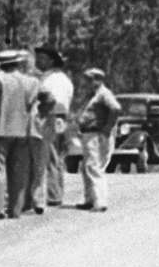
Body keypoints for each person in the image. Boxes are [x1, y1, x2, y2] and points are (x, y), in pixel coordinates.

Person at [0, 50, 53, 219]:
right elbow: (49, 98)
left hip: (0, 129)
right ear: (18, 63)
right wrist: (42, 113)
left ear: (1, 64)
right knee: (19, 171)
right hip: (24, 130)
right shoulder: (32, 81)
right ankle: (15, 209)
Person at [33, 46, 73, 207]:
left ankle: (54, 194)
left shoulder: (55, 79)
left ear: (51, 61)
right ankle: (53, 192)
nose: (37, 61)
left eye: (41, 58)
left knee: (51, 156)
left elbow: (54, 102)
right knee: (52, 156)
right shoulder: (53, 78)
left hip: (53, 117)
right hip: (55, 118)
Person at [76, 68, 120, 213]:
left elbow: (115, 108)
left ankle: (100, 201)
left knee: (94, 167)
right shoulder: (92, 95)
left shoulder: (103, 94)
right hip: (89, 134)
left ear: (98, 80)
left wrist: (107, 128)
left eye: (89, 79)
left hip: (96, 134)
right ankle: (90, 199)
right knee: (86, 167)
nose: (86, 82)